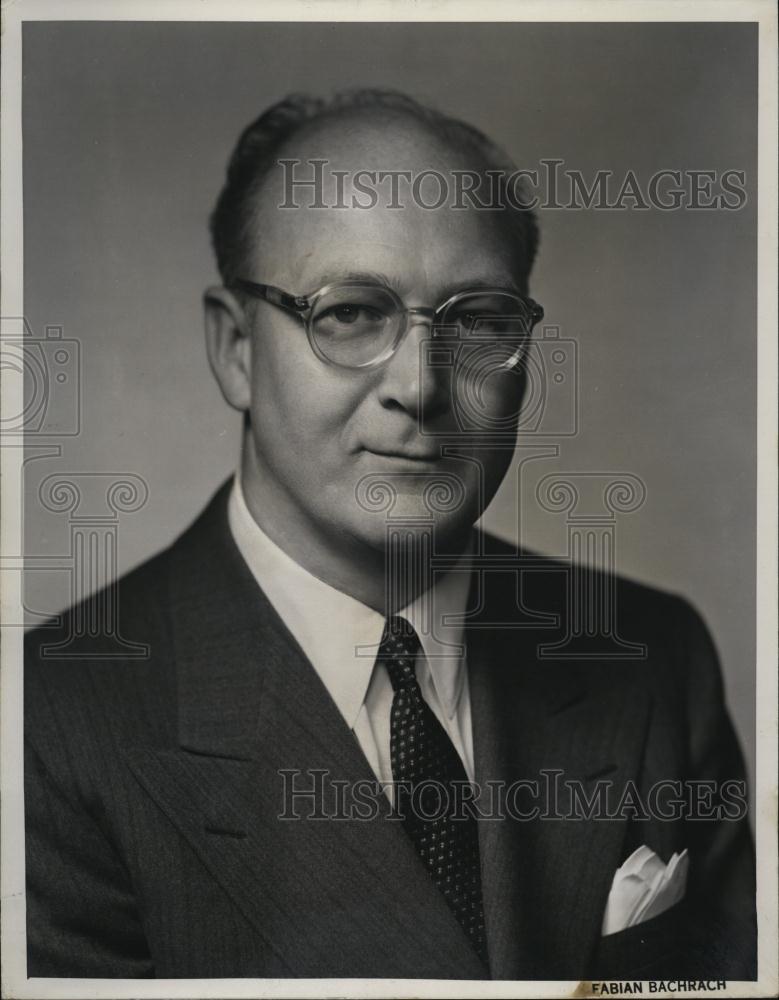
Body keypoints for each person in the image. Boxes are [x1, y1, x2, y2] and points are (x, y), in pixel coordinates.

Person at [24, 89, 756, 981]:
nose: (420, 383)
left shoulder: (651, 655)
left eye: (479, 321)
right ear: (235, 350)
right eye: (349, 313)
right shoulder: (45, 728)